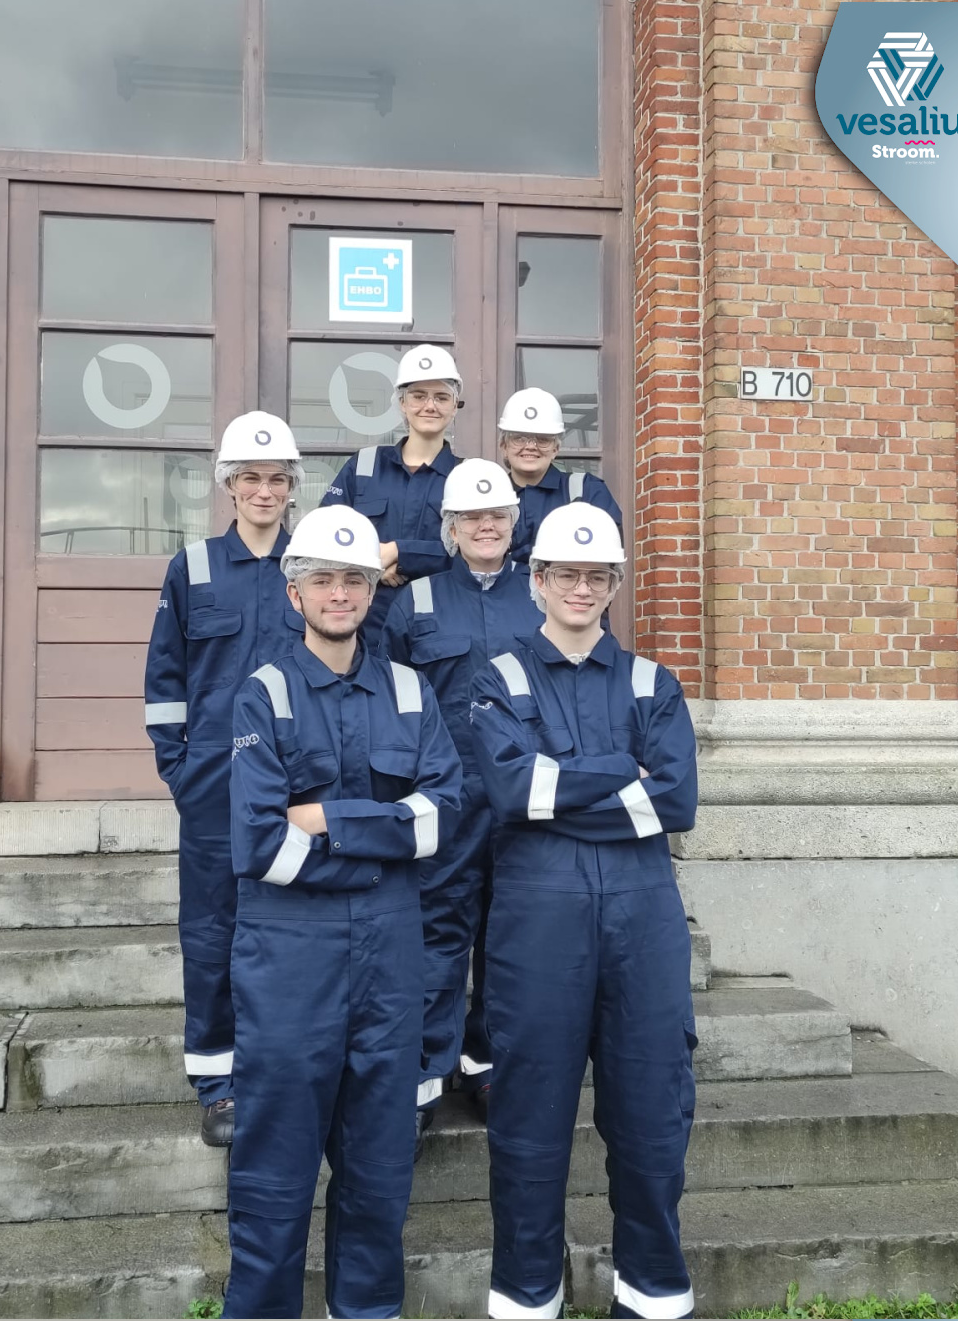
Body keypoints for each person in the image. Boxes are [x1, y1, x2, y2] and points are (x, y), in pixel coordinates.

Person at [222, 505, 462, 1320]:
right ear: (294, 593)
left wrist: (326, 817)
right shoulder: (264, 695)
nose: (339, 593)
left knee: (379, 1169)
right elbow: (261, 846)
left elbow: (440, 819)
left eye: (354, 579)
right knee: (274, 1170)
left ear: (371, 590)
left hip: (389, 961)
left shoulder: (410, 690)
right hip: (289, 961)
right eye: (321, 578)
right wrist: (384, 838)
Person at [468, 502, 699, 1321]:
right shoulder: (496, 677)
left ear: (613, 585)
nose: (579, 587)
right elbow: (510, 790)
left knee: (651, 1120)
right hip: (537, 923)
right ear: (535, 580)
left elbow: (674, 800)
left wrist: (559, 790)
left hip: (643, 924)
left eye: (596, 575)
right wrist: (620, 772)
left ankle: (652, 1293)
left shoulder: (652, 682)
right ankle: (528, 1296)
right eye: (564, 572)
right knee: (528, 1124)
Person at [144, 411, 305, 1147]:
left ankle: (280, 1069)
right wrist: (180, 770)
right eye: (250, 478)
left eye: (276, 478)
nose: (263, 490)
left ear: (292, 487)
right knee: (213, 932)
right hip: (212, 786)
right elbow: (165, 679)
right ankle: (218, 1083)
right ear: (228, 486)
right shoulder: (194, 567)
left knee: (291, 929)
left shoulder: (311, 567)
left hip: (298, 785)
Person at [379, 458, 541, 1158]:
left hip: (521, 804)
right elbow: (387, 705)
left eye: (496, 515)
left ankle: (487, 1066)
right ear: (449, 527)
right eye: (471, 517)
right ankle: (421, 1077)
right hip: (444, 801)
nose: (485, 526)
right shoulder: (412, 604)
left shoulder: (541, 595)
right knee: (436, 941)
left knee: (507, 941)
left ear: (513, 522)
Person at [320, 343, 463, 649]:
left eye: (441, 397)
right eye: (418, 396)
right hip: (363, 632)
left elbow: (477, 553)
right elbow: (325, 535)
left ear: (454, 406)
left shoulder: (467, 478)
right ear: (401, 403)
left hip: (442, 632)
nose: (430, 406)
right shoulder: (363, 467)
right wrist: (372, 563)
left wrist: (400, 553)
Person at [498, 386, 623, 564]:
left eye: (542, 439)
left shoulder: (587, 492)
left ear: (556, 449)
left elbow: (605, 562)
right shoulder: (488, 499)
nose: (531, 446)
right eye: (519, 438)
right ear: (504, 446)